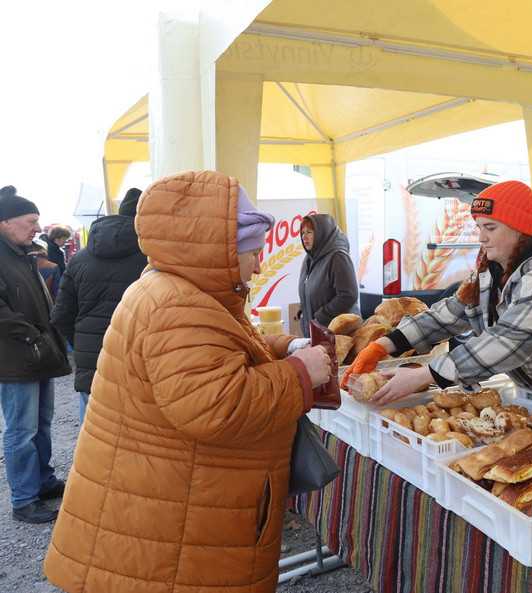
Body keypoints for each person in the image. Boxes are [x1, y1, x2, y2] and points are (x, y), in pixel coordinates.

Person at [44, 171, 332, 593]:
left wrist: (285, 347)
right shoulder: (178, 306)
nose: (258, 262)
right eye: (252, 251)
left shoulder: (179, 291)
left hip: (164, 505)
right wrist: (301, 374)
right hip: (169, 527)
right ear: (220, 249)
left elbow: (222, 351)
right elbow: (217, 407)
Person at [342, 180, 532, 404]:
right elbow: (450, 313)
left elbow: (509, 340)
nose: (481, 238)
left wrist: (426, 375)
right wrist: (384, 345)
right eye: (478, 228)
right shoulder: (490, 274)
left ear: (519, 231)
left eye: (491, 228)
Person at [0, 185, 71, 524]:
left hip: (39, 353)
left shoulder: (23, 254)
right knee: (21, 430)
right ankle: (24, 499)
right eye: (30, 221)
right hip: (16, 359)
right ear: (5, 222)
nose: (36, 228)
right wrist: (32, 336)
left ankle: (43, 482)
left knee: (41, 424)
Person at [51, 187, 148, 424]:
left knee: (92, 426)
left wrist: (81, 341)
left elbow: (61, 314)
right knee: (137, 429)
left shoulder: (80, 258)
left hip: (91, 358)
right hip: (137, 356)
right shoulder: (152, 257)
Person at [297, 213, 359, 337]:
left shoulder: (338, 257)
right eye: (302, 233)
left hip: (339, 335)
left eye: (309, 232)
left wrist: (321, 316)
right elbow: (309, 289)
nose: (304, 237)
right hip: (317, 333)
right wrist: (304, 310)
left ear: (322, 233)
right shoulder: (309, 259)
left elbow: (348, 295)